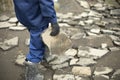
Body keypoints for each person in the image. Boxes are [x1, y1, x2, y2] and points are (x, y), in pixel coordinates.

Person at [13, 0, 60, 80]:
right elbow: (46, 3)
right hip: (36, 16)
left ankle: (45, 55)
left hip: (24, 12)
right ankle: (32, 72)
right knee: (37, 42)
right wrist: (53, 21)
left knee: (38, 32)